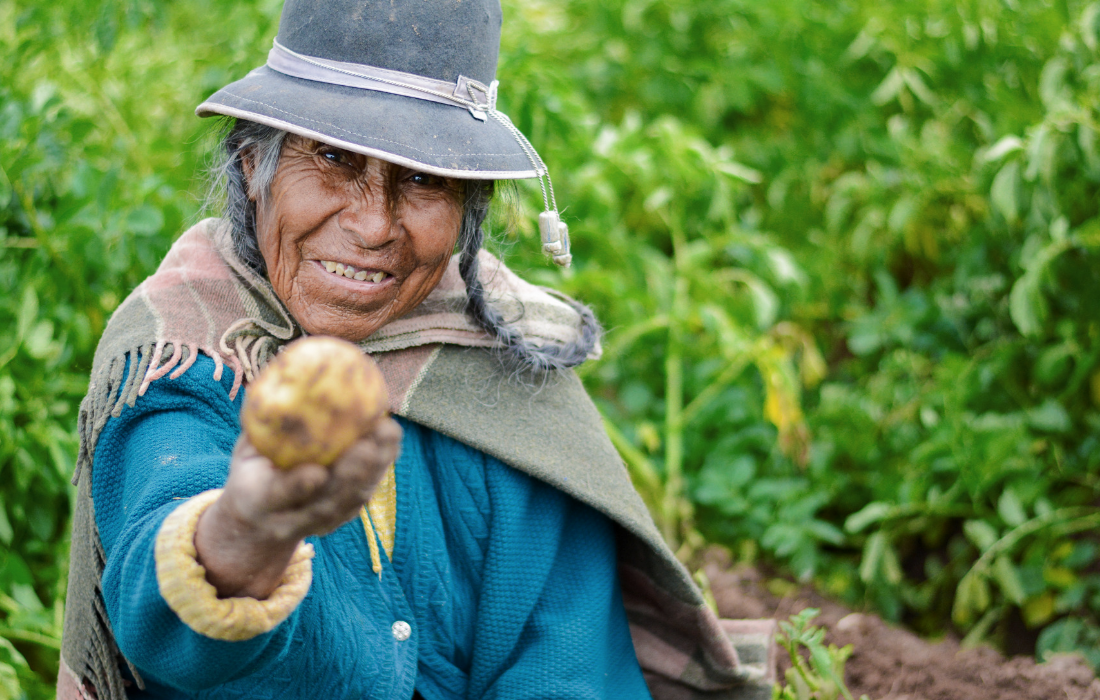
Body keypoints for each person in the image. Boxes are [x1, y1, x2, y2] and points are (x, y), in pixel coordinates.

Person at [58, 1, 776, 698]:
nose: (374, 225)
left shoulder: (505, 367)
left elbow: (565, 664)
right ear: (252, 167)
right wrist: (246, 533)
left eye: (425, 179)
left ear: (469, 207)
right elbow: (158, 570)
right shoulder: (185, 349)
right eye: (334, 158)